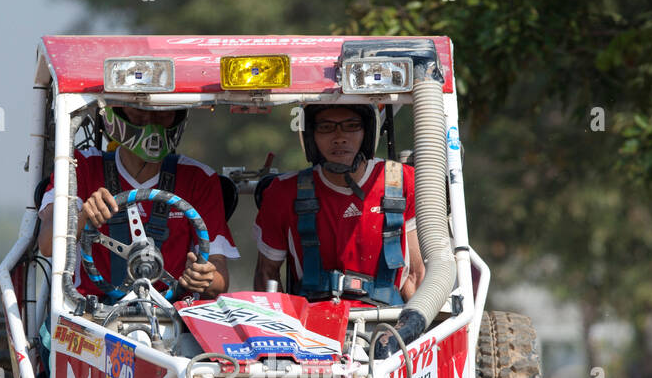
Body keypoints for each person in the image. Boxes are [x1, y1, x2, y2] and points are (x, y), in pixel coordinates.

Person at [37, 105, 236, 298]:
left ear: (178, 115)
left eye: (163, 112)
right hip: (90, 315)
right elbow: (47, 245)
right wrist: (84, 217)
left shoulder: (199, 177)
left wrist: (203, 277)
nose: (152, 123)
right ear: (117, 111)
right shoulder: (79, 166)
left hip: (172, 317)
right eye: (140, 111)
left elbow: (219, 279)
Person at [253, 104, 425, 302]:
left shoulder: (404, 182)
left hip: (386, 323)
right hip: (310, 326)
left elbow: (416, 277)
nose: (339, 137)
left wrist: (412, 327)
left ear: (367, 132)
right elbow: (266, 275)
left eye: (351, 126)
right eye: (326, 127)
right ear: (310, 135)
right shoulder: (283, 193)